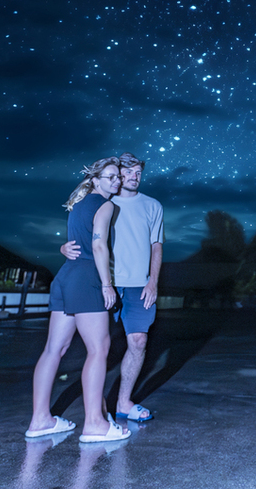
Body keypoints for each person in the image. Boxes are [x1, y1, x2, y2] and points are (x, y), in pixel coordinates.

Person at [26, 157, 130, 443]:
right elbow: (97, 245)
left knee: (53, 349)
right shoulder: (106, 205)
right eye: (110, 176)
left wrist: (62, 248)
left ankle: (40, 420)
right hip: (86, 277)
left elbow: (75, 242)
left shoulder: (78, 204)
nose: (116, 181)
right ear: (95, 180)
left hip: (65, 277)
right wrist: (107, 285)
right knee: (98, 349)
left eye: (118, 177)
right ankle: (95, 424)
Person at [62, 151, 164, 424]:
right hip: (103, 281)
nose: (133, 177)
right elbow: (85, 234)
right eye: (128, 172)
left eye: (138, 173)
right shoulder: (104, 199)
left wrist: (153, 281)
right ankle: (95, 411)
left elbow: (156, 246)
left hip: (139, 284)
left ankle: (123, 403)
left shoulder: (153, 205)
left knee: (138, 341)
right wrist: (63, 247)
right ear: (118, 175)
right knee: (98, 346)